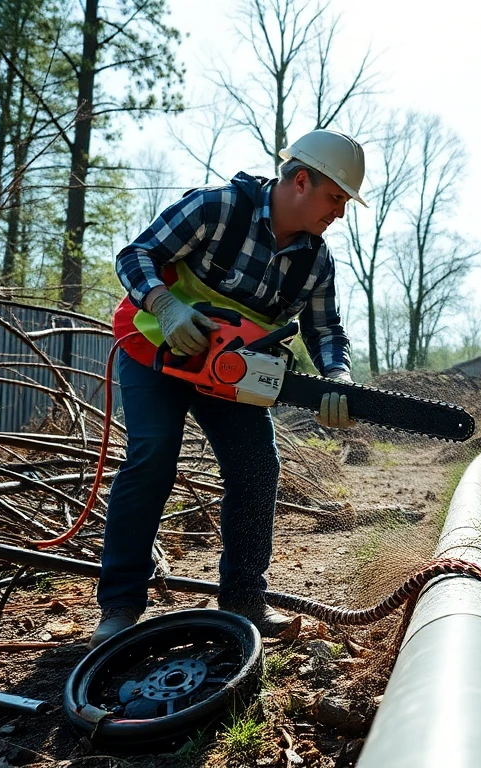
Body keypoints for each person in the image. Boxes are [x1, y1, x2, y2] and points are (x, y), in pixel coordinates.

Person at [90, 129, 367, 647]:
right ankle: (120, 605)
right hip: (156, 350)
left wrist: (338, 378)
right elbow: (135, 254)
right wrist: (165, 306)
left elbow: (326, 330)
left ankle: (244, 601)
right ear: (300, 181)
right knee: (152, 455)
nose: (340, 212)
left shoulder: (315, 260)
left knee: (258, 467)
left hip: (230, 373)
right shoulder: (217, 209)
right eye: (335, 197)